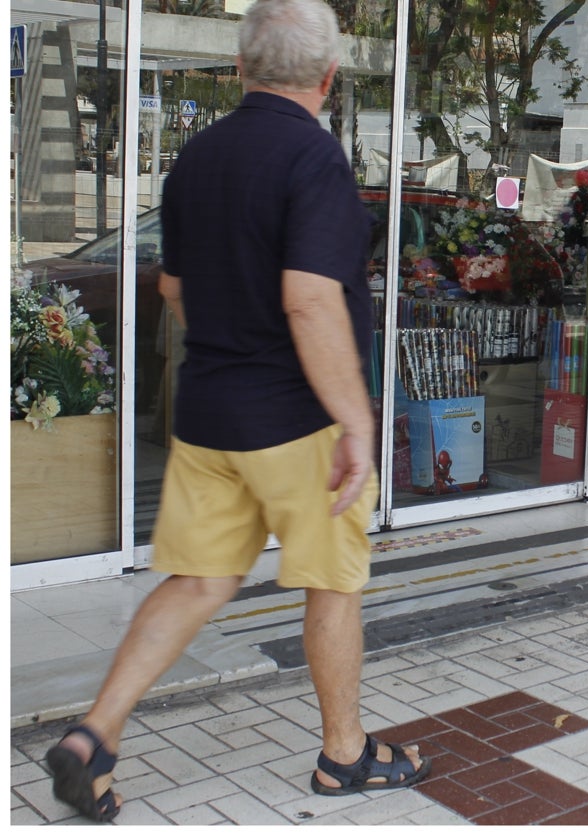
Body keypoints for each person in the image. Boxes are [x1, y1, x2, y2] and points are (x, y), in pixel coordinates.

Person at [43, 0, 430, 822]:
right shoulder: (315, 160)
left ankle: (94, 739)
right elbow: (310, 302)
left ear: (240, 69)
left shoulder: (196, 161)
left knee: (197, 581)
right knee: (331, 582)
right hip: (302, 424)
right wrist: (356, 421)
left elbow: (175, 291)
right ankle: (344, 755)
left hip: (210, 418)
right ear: (327, 78)